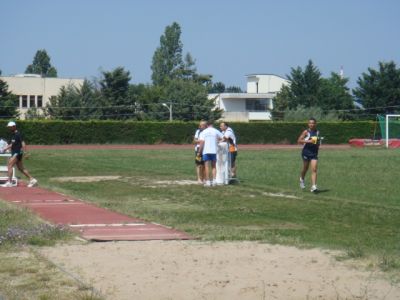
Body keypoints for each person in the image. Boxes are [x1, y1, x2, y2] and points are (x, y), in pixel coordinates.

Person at [2, 121, 37, 188]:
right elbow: (12, 144)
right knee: (21, 168)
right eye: (9, 127)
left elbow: (23, 143)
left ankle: (9, 182)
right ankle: (32, 179)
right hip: (15, 152)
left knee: (9, 165)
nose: (9, 128)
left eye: (10, 127)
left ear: (14, 126)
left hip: (17, 152)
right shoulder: (13, 135)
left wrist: (26, 152)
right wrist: (5, 148)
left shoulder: (18, 134)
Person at [297, 118, 320, 192]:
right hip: (306, 152)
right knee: (305, 168)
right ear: (308, 124)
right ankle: (302, 179)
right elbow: (299, 140)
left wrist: (318, 145)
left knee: (314, 169)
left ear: (315, 124)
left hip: (314, 153)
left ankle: (313, 186)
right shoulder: (306, 132)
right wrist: (309, 141)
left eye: (313, 123)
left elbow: (317, 141)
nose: (311, 124)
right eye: (310, 123)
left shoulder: (317, 132)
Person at [198, 120, 223, 187]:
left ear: (207, 125)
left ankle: (208, 181)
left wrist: (199, 151)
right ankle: (214, 181)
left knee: (206, 166)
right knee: (214, 166)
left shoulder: (204, 132)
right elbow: (222, 137)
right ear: (212, 124)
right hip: (214, 151)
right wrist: (217, 141)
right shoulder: (216, 130)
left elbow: (202, 143)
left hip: (206, 151)